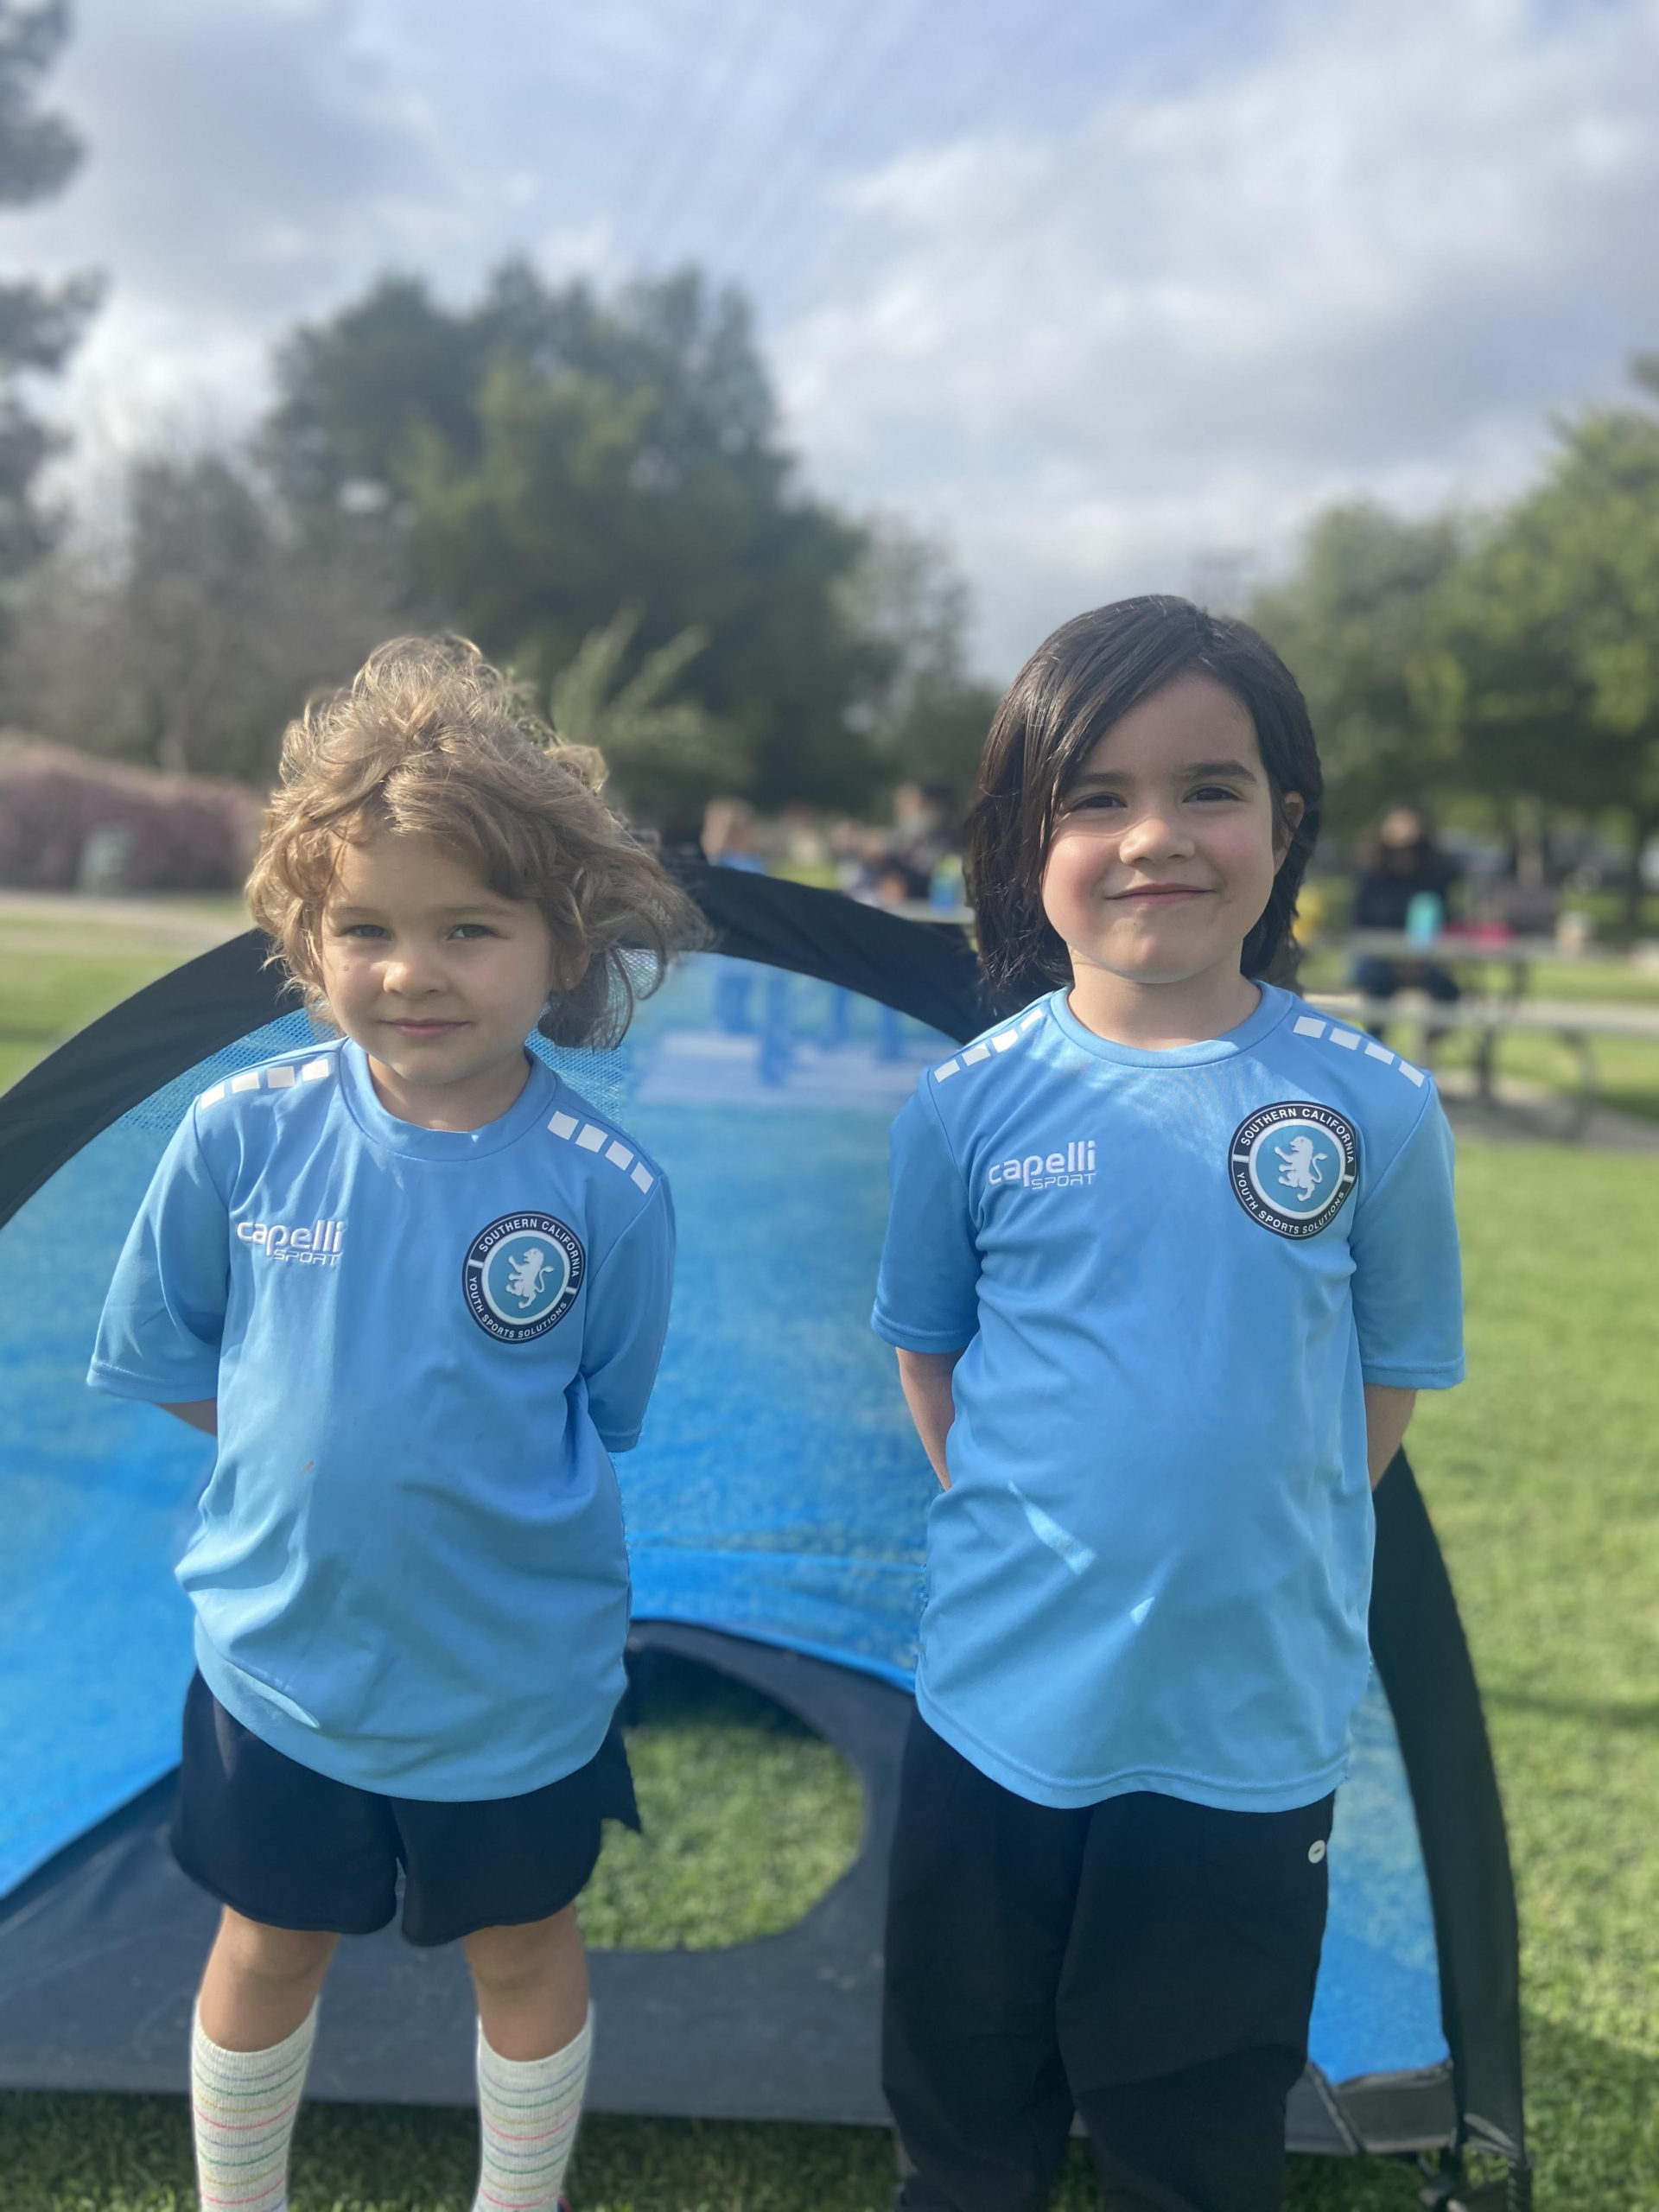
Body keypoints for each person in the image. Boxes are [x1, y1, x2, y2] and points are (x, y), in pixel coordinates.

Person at [87, 638, 703, 2212]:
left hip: (513, 1683)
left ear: (560, 948)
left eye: (466, 929)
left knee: (522, 1949)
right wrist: (307, 1460)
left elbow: (600, 1409)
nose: (410, 970)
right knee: (268, 1942)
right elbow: (173, 1349)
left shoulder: (607, 1193)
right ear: (305, 938)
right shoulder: (241, 1135)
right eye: (363, 927)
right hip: (281, 1664)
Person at [871, 598, 1465, 2212]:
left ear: (1288, 821)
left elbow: (1387, 1380)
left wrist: (1236, 1532)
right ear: (1019, 837)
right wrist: (1047, 1541)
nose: (1155, 839)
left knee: (1194, 2129)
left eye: (1209, 787)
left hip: (1242, 1733)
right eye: (1095, 797)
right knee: (968, 2111)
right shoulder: (965, 1109)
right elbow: (933, 1356)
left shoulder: (1376, 1110)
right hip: (999, 1710)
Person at [1351, 804, 1463, 1020]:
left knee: (1447, 993)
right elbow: (1362, 921)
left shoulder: (1434, 876)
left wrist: (1417, 959)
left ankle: (1428, 1049)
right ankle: (1377, 1043)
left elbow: (1444, 919)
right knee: (1376, 986)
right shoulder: (1372, 876)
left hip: (1424, 958)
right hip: (1378, 956)